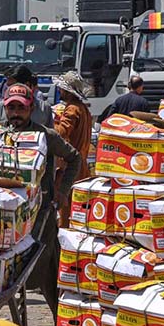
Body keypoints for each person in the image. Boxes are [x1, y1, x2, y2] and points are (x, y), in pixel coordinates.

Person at [0, 84, 81, 319]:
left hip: (41, 217)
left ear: (31, 108)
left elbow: (74, 159)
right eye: (11, 108)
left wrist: (62, 192)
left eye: (20, 108)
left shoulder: (46, 135)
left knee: (48, 276)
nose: (15, 114)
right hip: (7, 218)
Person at [53, 71, 92, 223]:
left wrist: (50, 124)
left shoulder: (72, 109)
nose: (59, 91)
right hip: (82, 164)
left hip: (70, 165)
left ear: (68, 91)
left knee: (65, 206)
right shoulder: (84, 109)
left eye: (62, 89)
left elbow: (61, 132)